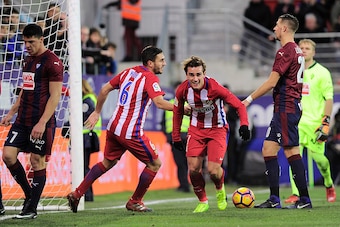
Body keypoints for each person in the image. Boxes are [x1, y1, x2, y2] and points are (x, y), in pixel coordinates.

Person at [67, 45, 174, 213]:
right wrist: (181, 109)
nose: (164, 63)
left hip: (114, 127)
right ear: (150, 63)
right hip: (130, 131)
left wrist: (97, 112)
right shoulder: (150, 78)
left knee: (107, 162)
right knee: (154, 164)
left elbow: (104, 89)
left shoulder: (128, 72)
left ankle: (77, 193)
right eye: (161, 60)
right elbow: (159, 102)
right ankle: (135, 201)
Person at [242, 14, 312, 209]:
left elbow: (272, 83)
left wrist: (248, 99)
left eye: (277, 24)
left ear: (284, 29)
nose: (274, 27)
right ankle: (274, 199)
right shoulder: (297, 50)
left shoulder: (285, 51)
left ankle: (305, 200)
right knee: (268, 149)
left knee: (291, 151)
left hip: (286, 107)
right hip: (286, 107)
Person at [0, 23, 64, 219]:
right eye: (25, 42)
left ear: (41, 39)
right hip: (22, 120)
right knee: (8, 156)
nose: (27, 45)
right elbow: (25, 90)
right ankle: (29, 194)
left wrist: (42, 123)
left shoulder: (53, 63)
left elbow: (55, 97)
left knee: (37, 161)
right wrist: (11, 113)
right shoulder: (28, 60)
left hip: (41, 121)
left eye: (31, 42)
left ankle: (31, 208)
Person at [172, 56, 251, 213]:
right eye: (191, 75)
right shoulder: (182, 90)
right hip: (196, 130)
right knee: (193, 169)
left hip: (217, 129)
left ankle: (220, 189)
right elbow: (177, 112)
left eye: (198, 74)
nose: (195, 79)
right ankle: (203, 200)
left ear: (204, 73)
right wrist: (175, 136)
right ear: (186, 75)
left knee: (213, 170)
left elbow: (239, 105)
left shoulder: (215, 87)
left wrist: (244, 125)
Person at [285, 39, 336, 204]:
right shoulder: (292, 71)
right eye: (302, 48)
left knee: (320, 161)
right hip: (296, 123)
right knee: (294, 158)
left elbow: (329, 99)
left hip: (315, 125)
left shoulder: (322, 72)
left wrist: (325, 123)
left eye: (308, 48)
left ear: (314, 52)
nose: (304, 50)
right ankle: (296, 193)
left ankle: (329, 183)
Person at [163, 81, 190, 193]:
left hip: (187, 137)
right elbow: (163, 123)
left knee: (186, 162)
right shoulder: (169, 104)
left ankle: (185, 185)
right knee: (179, 162)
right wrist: (167, 135)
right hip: (174, 138)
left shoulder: (189, 104)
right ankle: (183, 184)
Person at [82, 79, 102, 201]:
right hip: (89, 136)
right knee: (85, 167)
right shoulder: (92, 98)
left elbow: (83, 118)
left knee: (83, 167)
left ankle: (87, 195)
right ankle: (88, 195)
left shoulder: (87, 101)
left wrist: (68, 125)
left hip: (85, 137)